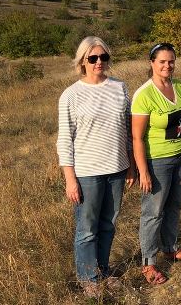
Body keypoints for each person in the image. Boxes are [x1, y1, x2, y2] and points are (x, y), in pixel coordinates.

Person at [57, 36, 135, 298]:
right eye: (93, 58)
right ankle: (88, 277)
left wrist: (132, 165)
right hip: (87, 172)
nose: (99, 62)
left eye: (104, 57)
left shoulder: (120, 88)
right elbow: (65, 140)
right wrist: (70, 179)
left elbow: (127, 130)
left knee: (108, 225)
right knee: (87, 228)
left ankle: (103, 270)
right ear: (82, 62)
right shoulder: (71, 95)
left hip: (117, 168)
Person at [131, 43, 181, 286]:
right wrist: (143, 171)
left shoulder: (179, 86)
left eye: (171, 61)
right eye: (162, 61)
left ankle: (170, 247)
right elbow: (137, 137)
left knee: (174, 206)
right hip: (157, 161)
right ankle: (148, 263)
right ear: (152, 63)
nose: (167, 66)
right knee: (153, 212)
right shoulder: (144, 94)